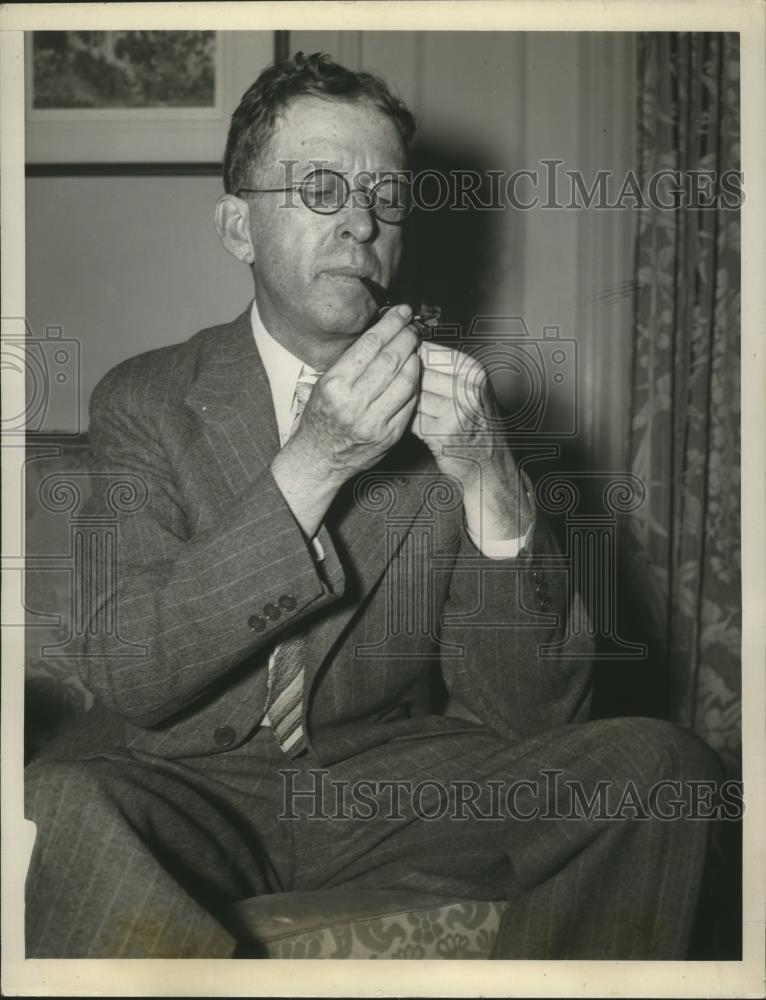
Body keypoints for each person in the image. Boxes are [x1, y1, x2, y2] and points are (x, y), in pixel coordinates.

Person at [24, 51, 721, 959]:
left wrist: (488, 481)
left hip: (388, 787)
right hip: (186, 785)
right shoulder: (145, 399)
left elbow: (534, 719)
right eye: (321, 187)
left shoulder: (459, 408)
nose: (362, 220)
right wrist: (315, 462)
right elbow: (129, 668)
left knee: (660, 770)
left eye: (388, 198)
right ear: (239, 226)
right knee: (64, 805)